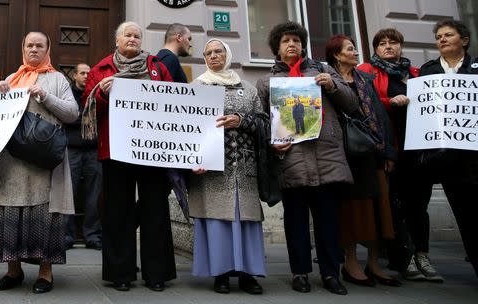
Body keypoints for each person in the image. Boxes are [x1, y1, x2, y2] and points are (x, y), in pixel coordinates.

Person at [255, 22, 358, 296]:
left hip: (326, 158)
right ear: (277, 48)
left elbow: (352, 104)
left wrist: (333, 86)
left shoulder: (324, 70)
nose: (292, 45)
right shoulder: (267, 82)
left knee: (328, 221)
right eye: (286, 41)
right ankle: (299, 272)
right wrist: (271, 142)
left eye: (297, 40)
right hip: (291, 161)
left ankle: (330, 273)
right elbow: (263, 122)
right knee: (296, 222)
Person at [82, 21, 176, 292]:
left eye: (137, 35)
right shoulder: (101, 70)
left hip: (152, 151)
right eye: (128, 35)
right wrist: (101, 94)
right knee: (117, 213)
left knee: (155, 211)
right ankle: (120, 274)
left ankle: (156, 274)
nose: (133, 39)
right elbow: (87, 110)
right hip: (115, 151)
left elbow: (176, 101)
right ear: (117, 40)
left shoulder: (158, 67)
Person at [0, 31, 78, 294]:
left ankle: (45, 273)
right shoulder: (10, 79)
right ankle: (13, 271)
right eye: (29, 45)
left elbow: (72, 114)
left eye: (40, 45)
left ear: (48, 49)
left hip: (44, 161)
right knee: (9, 211)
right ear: (23, 48)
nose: (34, 50)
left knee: (45, 214)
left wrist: (46, 97)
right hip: (12, 162)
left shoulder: (57, 79)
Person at [189, 39, 269, 295]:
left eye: (218, 51)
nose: (214, 56)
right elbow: (187, 129)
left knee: (245, 220)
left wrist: (241, 120)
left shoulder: (248, 88)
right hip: (212, 169)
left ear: (227, 54)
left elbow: (264, 123)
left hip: (244, 167)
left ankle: (248, 275)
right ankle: (220, 274)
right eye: (209, 53)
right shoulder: (197, 87)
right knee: (217, 220)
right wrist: (194, 159)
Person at [326, 34, 400, 287]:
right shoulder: (327, 81)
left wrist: (387, 152)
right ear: (337, 54)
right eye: (350, 49)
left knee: (377, 208)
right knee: (351, 210)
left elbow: (379, 116)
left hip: (370, 151)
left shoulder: (365, 79)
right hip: (344, 154)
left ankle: (374, 262)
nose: (356, 52)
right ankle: (351, 262)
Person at [413, 20, 478, 279]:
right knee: (467, 219)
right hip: (445, 159)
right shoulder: (427, 72)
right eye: (438, 36)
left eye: (448, 35)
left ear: (464, 40)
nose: (442, 39)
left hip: (474, 156)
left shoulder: (476, 69)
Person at [356, 28, 422, 280]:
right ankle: (401, 257)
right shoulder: (367, 71)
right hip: (388, 144)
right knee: (392, 201)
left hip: (415, 145)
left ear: (401, 46)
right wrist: (390, 101)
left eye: (392, 42)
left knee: (415, 202)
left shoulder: (414, 74)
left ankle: (420, 254)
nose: (387, 47)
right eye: (381, 43)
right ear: (375, 48)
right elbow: (366, 104)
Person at [64, 62, 102, 250]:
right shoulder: (67, 94)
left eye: (89, 73)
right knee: (68, 193)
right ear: (75, 75)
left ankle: (92, 236)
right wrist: (83, 118)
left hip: (93, 150)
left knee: (94, 194)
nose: (86, 76)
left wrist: (79, 118)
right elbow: (68, 116)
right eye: (82, 73)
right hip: (71, 149)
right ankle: (66, 236)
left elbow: (100, 117)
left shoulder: (95, 93)